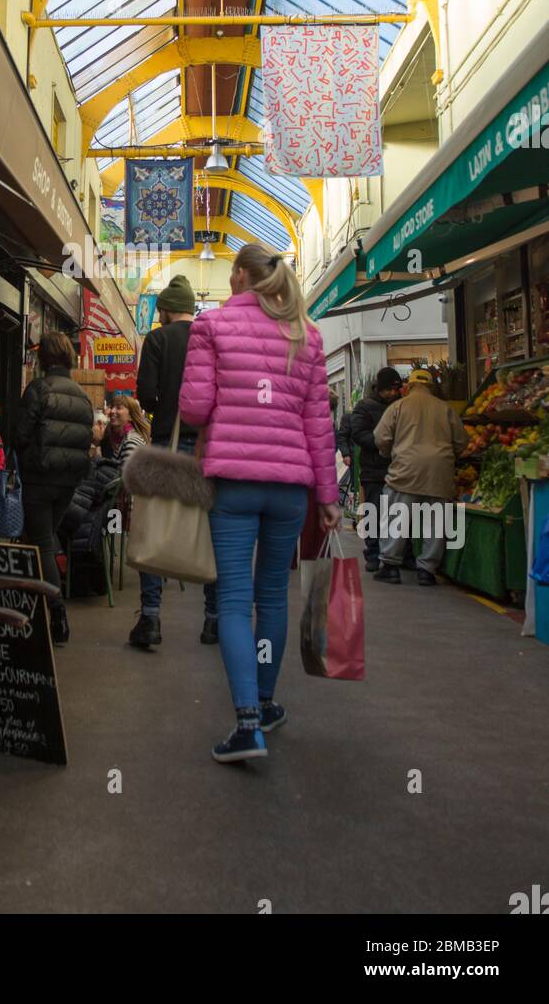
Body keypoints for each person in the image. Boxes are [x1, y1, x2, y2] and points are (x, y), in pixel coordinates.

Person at [179, 242, 340, 763]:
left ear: (243, 276)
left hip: (234, 484)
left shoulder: (212, 326)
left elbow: (194, 408)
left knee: (232, 602)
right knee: (272, 598)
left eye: (231, 276)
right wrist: (329, 498)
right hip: (290, 489)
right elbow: (320, 426)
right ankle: (267, 703)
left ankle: (248, 723)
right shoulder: (307, 336)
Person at [134, 272, 218, 648]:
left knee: (157, 526)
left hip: (168, 445)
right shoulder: (210, 339)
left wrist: (165, 406)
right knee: (213, 533)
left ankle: (150, 619)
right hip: (209, 449)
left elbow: (146, 395)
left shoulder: (156, 339)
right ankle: (213, 621)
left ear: (166, 310)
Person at [15, 332, 94, 646]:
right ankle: (37, 605)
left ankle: (57, 611)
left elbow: (20, 433)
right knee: (45, 541)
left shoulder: (38, 388)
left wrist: (27, 457)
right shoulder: (81, 395)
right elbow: (86, 438)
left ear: (44, 359)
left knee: (43, 544)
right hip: (69, 481)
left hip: (39, 477)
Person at [373, 367, 468, 588]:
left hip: (406, 470)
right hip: (439, 471)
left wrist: (388, 452)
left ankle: (390, 567)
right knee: (435, 522)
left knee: (397, 517)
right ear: (431, 387)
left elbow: (380, 437)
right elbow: (462, 441)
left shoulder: (399, 406)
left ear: (410, 385)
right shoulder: (445, 409)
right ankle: (426, 570)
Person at [350, 367, 403, 572]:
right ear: (379, 388)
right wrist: (383, 443)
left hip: (397, 468)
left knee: (396, 514)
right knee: (373, 512)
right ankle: (372, 554)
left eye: (396, 389)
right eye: (389, 389)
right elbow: (358, 434)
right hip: (374, 469)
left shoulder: (400, 406)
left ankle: (395, 555)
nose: (393, 393)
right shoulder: (365, 407)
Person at [101, 396, 149, 466]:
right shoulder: (108, 435)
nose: (112, 411)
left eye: (118, 408)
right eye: (112, 407)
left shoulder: (131, 442)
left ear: (131, 416)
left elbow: (127, 475)